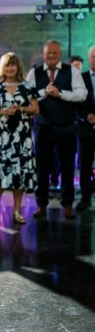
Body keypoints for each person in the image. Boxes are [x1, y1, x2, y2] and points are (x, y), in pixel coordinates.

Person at [27, 40, 87, 219]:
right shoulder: (34, 73)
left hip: (67, 126)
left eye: (54, 53)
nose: (51, 56)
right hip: (43, 125)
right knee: (42, 167)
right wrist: (43, 93)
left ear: (60, 54)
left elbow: (81, 94)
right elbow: (26, 95)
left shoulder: (72, 71)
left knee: (67, 166)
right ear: (43, 54)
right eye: (48, 53)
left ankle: (67, 204)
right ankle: (41, 204)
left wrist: (61, 94)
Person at [0, 52, 38, 224]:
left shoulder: (27, 86)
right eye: (7, 64)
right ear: (2, 68)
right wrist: (1, 112)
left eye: (13, 64)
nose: (10, 68)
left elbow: (35, 109)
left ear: (18, 67)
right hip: (1, 136)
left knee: (19, 173)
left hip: (21, 136)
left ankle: (17, 210)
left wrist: (21, 109)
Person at [76, 45, 95, 210]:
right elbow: (75, 105)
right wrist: (86, 116)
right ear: (88, 59)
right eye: (94, 56)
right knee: (85, 165)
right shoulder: (80, 78)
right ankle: (85, 198)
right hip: (86, 129)